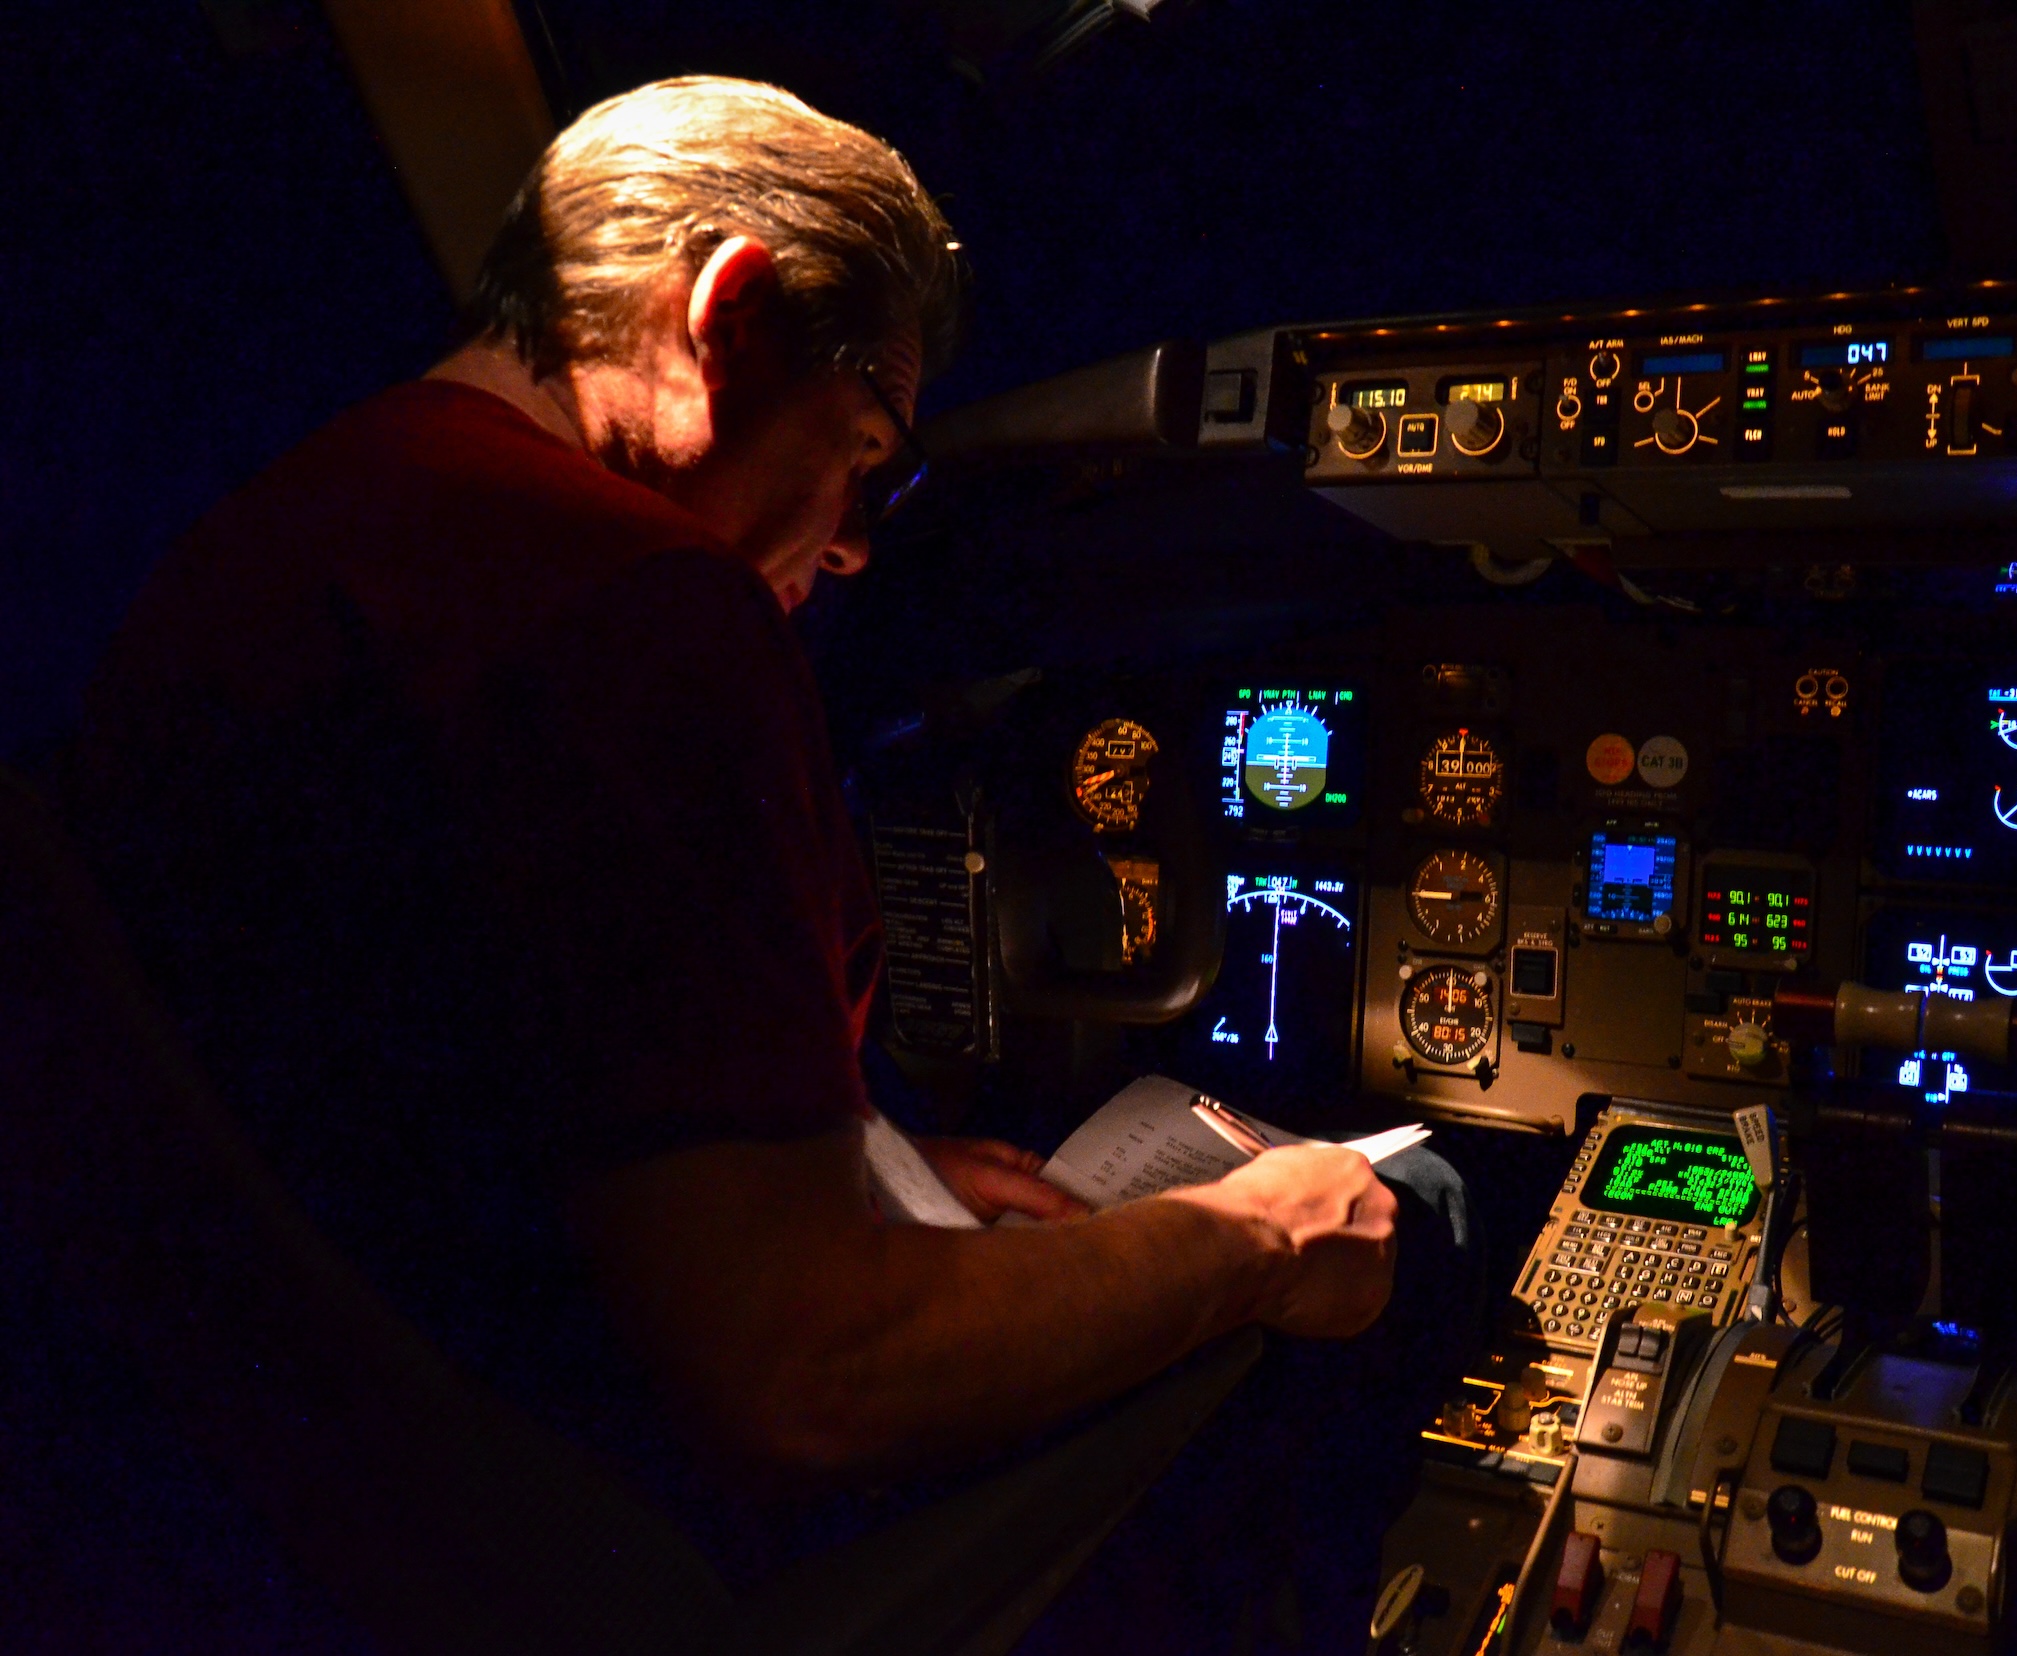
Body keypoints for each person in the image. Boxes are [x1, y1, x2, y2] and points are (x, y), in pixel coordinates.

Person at [64, 75, 1423, 1596]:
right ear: (729, 312)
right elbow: (808, 1374)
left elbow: (481, 1082)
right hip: (589, 1542)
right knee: (1358, 1321)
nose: (849, 540)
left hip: (307, 1480)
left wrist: (860, 1164)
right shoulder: (627, 607)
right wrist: (1255, 1237)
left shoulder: (314, 521)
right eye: (861, 445)